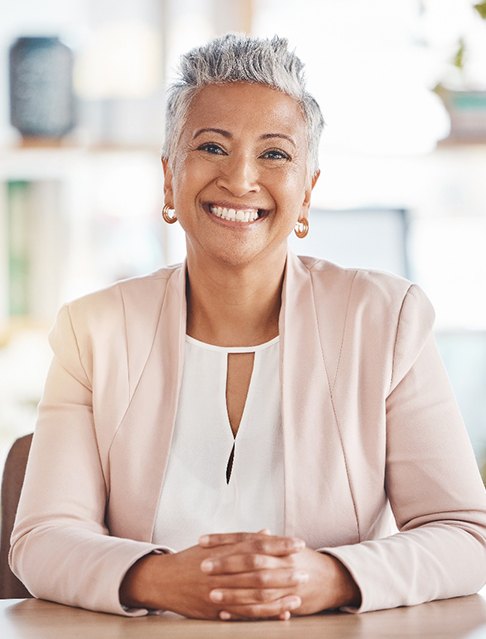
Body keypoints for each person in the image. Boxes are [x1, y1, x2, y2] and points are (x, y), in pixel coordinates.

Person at [10, 33, 486, 621]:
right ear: (169, 178)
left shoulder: (385, 319)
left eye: (275, 154)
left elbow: (465, 534)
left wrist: (331, 577)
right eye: (212, 146)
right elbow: (42, 539)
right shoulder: (93, 331)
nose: (240, 179)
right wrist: (157, 579)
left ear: (307, 192)